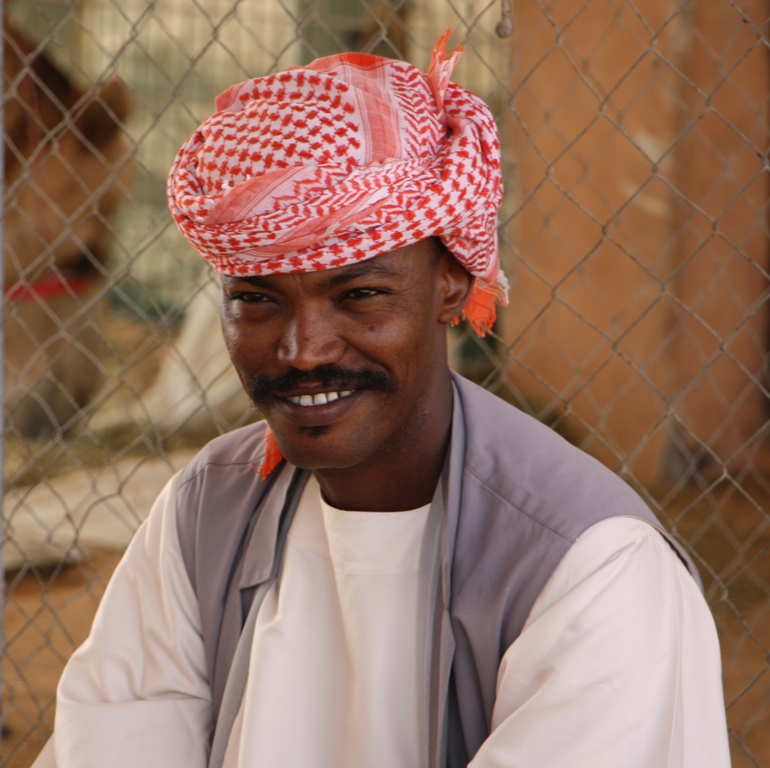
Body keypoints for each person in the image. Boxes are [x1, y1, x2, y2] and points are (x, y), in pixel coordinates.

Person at [34, 32, 730, 768]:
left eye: (360, 294)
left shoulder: (589, 567)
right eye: (258, 300)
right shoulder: (203, 514)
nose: (304, 349)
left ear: (453, 282)